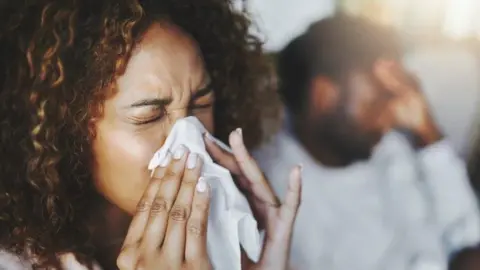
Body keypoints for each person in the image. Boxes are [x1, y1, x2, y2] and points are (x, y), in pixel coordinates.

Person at [0, 0, 302, 269]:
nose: (190, 142)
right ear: (68, 131)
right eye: (149, 116)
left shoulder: (230, 246)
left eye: (202, 103)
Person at [253, 14, 480, 270]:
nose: (389, 118)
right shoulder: (274, 197)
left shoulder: (386, 145)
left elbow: (468, 236)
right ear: (323, 96)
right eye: (375, 102)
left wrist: (428, 134)